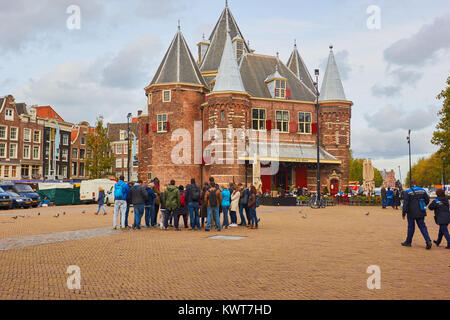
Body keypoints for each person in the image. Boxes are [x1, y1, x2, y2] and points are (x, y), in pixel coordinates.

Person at [401, 180, 432, 250]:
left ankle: (408, 242)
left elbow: (405, 203)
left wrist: (404, 213)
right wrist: (423, 205)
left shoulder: (408, 191)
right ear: (416, 183)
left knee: (411, 227)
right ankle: (428, 241)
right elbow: (427, 200)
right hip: (421, 211)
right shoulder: (422, 190)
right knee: (423, 227)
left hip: (411, 212)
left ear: (410, 184)